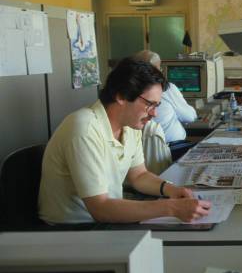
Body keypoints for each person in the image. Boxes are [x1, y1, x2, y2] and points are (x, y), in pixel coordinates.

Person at [38, 57, 211, 224]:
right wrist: (171, 208)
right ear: (121, 96)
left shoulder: (130, 125)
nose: (154, 114)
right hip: (74, 231)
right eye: (149, 104)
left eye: (156, 106)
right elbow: (100, 209)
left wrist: (172, 190)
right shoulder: (84, 128)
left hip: (105, 220)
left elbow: (139, 176)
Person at [134, 50, 197, 143]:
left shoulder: (131, 88)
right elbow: (189, 117)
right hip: (172, 147)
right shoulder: (166, 88)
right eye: (160, 68)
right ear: (154, 70)